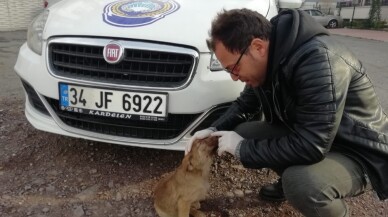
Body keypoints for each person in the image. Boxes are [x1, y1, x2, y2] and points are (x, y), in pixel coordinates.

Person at [185, 8, 388, 217]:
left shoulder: (319, 60)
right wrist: (212, 129)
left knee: (301, 183)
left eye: (234, 68)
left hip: (358, 151)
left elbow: (311, 145)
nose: (234, 78)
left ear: (257, 47)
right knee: (245, 131)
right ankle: (290, 182)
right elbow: (245, 105)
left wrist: (243, 149)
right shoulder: (270, 59)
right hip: (316, 137)